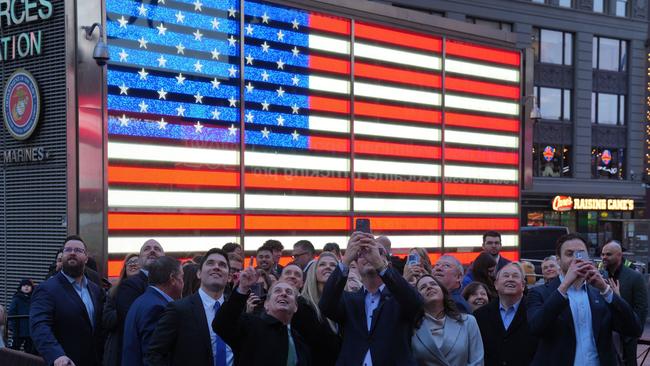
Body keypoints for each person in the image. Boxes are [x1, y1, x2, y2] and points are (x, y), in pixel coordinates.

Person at [527, 233, 642, 366]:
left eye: (581, 254)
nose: (577, 259)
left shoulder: (600, 293)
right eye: (570, 254)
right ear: (558, 260)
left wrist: (606, 290)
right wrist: (564, 286)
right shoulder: (539, 293)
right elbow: (536, 327)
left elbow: (634, 329)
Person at [320, 233, 422, 365]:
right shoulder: (349, 300)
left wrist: (380, 266)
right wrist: (345, 260)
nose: (370, 256)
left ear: (388, 264)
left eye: (379, 252)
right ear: (356, 265)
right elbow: (326, 305)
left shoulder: (399, 297)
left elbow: (415, 303)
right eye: (361, 253)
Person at [146, 248, 234, 365]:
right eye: (210, 263)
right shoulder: (179, 310)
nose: (216, 267)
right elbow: (154, 355)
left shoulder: (235, 310)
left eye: (222, 265)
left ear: (229, 277)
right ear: (199, 273)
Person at [30, 235, 105, 366]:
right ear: (62, 255)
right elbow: (40, 326)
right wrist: (57, 355)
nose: (72, 253)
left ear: (86, 258)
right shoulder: (47, 289)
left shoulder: (95, 290)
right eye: (68, 250)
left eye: (78, 250)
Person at [214, 268, 311, 365]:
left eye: (289, 292)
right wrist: (242, 289)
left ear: (295, 307)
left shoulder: (300, 342)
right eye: (277, 291)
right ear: (266, 304)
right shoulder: (250, 325)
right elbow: (222, 324)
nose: (283, 294)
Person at [122, 256, 184, 366]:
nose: (183, 283)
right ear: (173, 278)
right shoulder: (158, 308)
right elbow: (154, 358)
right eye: (182, 277)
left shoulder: (143, 300)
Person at [474, 263, 537, 366]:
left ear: (523, 285)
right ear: (496, 284)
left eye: (515, 276)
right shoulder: (480, 315)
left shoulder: (534, 311)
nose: (510, 279)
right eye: (506, 276)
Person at [412, 275, 483, 365]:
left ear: (443, 291)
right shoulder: (412, 329)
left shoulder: (468, 322)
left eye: (433, 284)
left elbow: (477, 362)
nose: (429, 287)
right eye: (423, 287)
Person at [114, 239, 165, 366]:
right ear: (140, 260)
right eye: (146, 249)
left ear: (164, 258)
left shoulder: (171, 285)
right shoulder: (129, 286)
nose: (152, 251)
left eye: (157, 249)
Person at [600, 240, 648, 366]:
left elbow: (641, 308)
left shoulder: (635, 277)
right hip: (605, 335)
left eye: (608, 254)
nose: (604, 257)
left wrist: (632, 335)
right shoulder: (601, 275)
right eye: (602, 254)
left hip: (627, 336)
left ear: (619, 255)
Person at [296, 252, 341, 366]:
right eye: (322, 264)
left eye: (333, 265)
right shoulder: (302, 305)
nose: (328, 267)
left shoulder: (345, 304)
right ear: (313, 272)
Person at [103, 253, 139, 366]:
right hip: (117, 348)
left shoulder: (148, 291)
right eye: (130, 262)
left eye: (136, 262)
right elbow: (106, 320)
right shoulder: (113, 292)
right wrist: (123, 309)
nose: (133, 264)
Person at [8, 279, 34, 353]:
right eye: (24, 285)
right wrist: (11, 326)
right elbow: (11, 312)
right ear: (20, 287)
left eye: (28, 285)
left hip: (30, 330)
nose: (26, 287)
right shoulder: (16, 299)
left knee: (30, 351)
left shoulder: (34, 298)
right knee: (14, 349)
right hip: (18, 329)